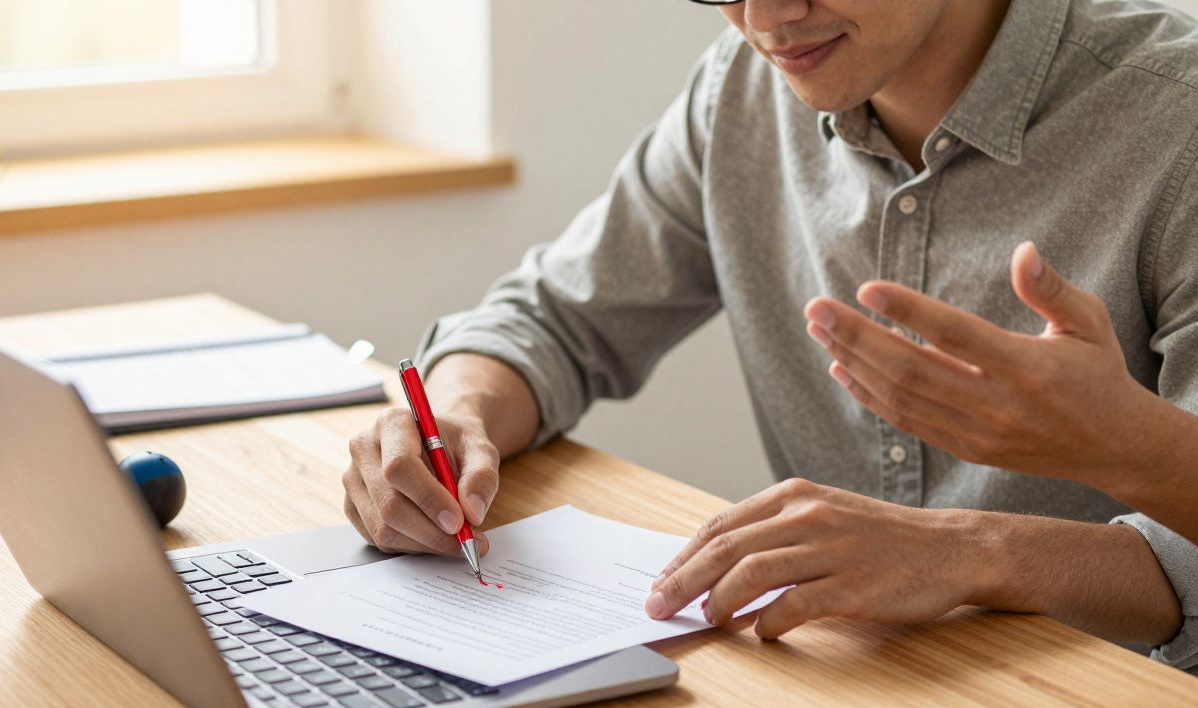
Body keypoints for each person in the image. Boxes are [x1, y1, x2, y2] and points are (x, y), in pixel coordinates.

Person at [342, 0, 1198, 672]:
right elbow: (554, 317)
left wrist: (983, 550)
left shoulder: (1175, 122)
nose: (765, 20)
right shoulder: (744, 88)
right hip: (835, 685)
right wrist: (453, 418)